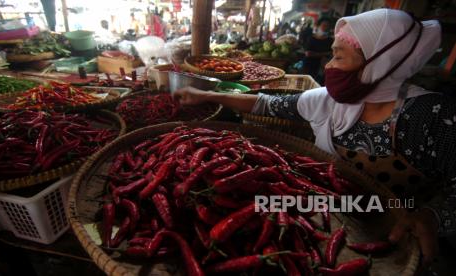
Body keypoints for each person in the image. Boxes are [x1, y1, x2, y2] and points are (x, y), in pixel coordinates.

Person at [174, 9, 456, 265]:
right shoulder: (329, 101)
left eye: (339, 56)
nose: (329, 67)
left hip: (390, 239)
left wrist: (431, 215)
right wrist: (206, 94)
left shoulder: (429, 115)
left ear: (379, 61)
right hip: (326, 218)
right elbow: (266, 103)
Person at [302, 17, 334, 84]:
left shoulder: (330, 40)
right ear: (319, 26)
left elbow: (331, 53)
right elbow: (308, 53)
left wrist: (318, 54)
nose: (326, 28)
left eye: (328, 26)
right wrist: (325, 53)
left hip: (321, 68)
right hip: (309, 66)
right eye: (324, 25)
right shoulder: (311, 38)